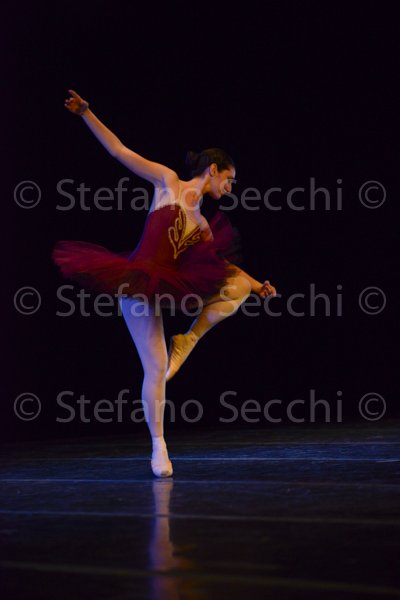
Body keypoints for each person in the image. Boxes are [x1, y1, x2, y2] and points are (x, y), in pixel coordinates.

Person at [52, 89, 277, 478]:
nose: (230, 187)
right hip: (138, 281)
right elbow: (120, 151)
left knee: (238, 287)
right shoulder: (168, 182)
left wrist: (258, 286)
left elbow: (220, 265)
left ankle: (187, 341)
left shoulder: (203, 224)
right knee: (155, 368)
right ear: (213, 170)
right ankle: (159, 445)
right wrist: (87, 114)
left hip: (169, 286)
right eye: (230, 179)